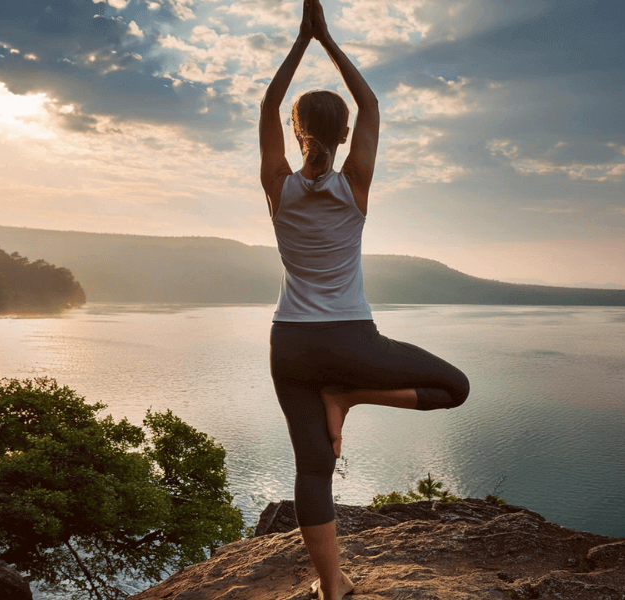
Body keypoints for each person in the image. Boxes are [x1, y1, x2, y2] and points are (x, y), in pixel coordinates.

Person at [259, 1, 470, 598]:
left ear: (298, 133)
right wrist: (325, 37)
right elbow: (372, 104)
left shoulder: (278, 187)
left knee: (311, 472)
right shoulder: (355, 187)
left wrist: (299, 43)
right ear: (346, 135)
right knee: (455, 388)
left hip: (290, 345)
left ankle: (332, 591)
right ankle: (351, 392)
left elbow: (267, 106)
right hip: (352, 339)